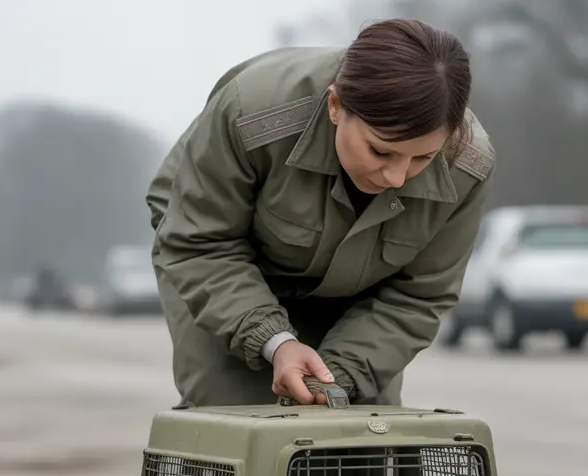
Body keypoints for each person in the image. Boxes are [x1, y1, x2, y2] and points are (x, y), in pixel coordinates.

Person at [146, 18, 496, 408]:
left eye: (424, 158)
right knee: (236, 413)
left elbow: (418, 296)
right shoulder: (251, 114)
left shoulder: (468, 166)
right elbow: (201, 243)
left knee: (362, 430)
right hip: (213, 252)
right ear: (335, 106)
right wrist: (276, 342)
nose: (397, 177)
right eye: (381, 151)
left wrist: (335, 378)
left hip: (357, 289)